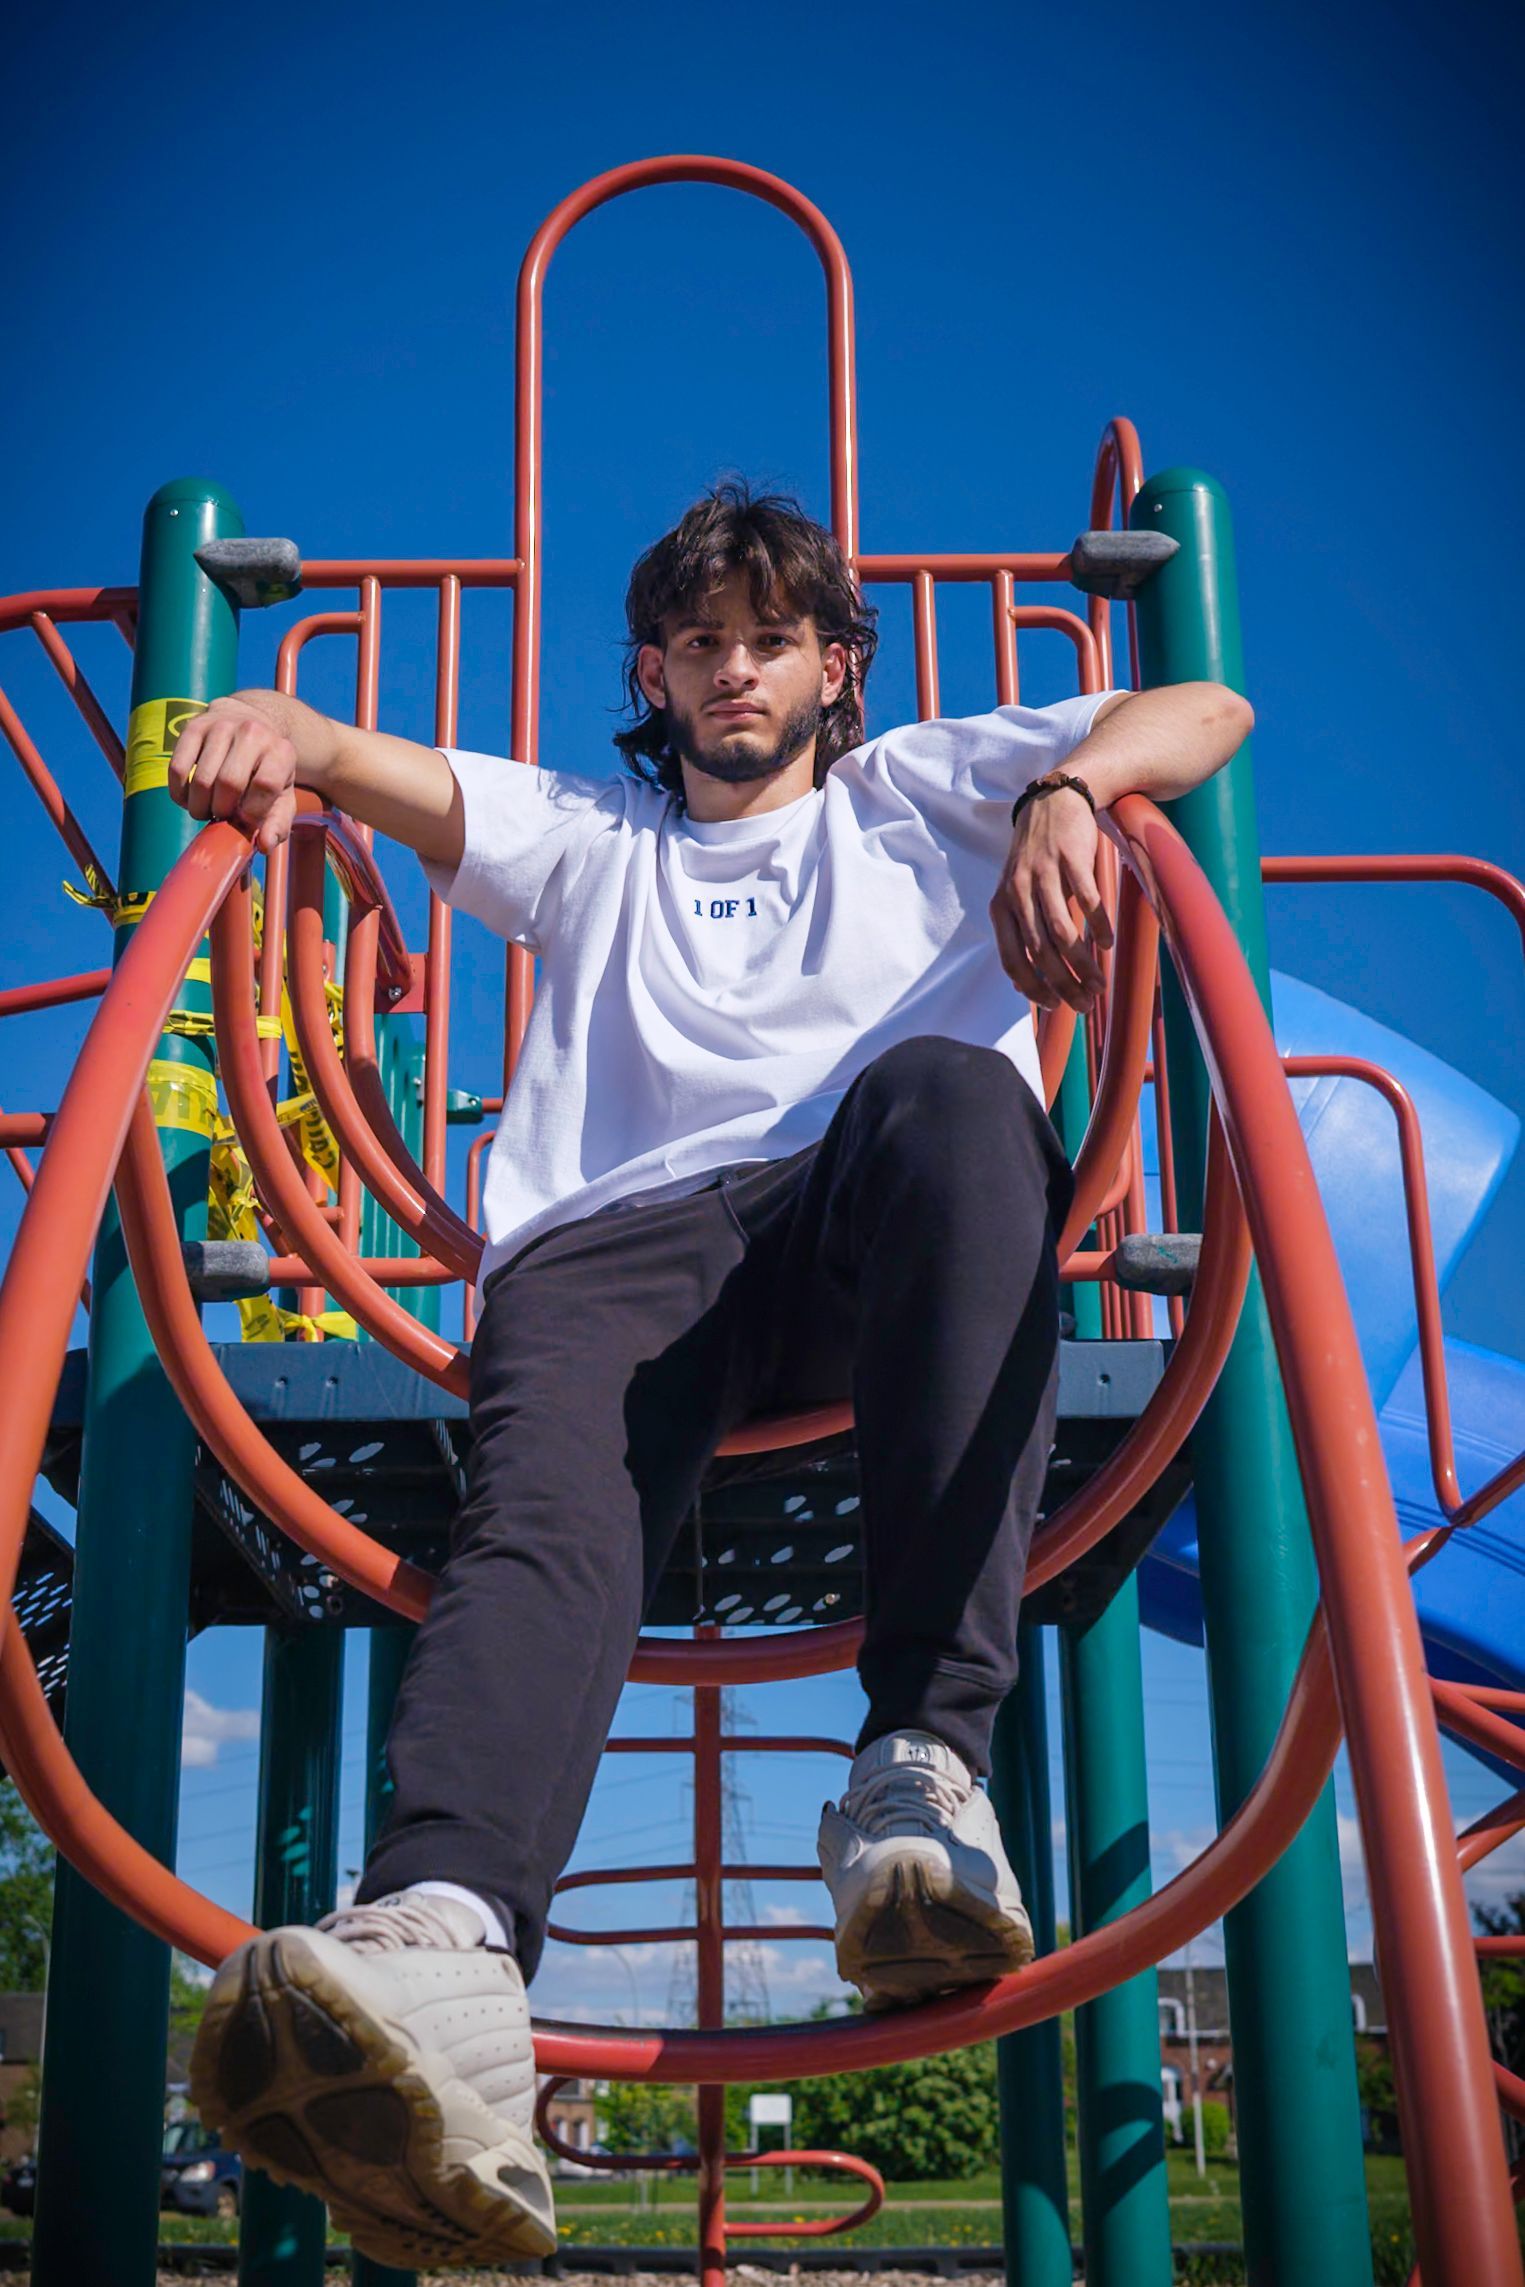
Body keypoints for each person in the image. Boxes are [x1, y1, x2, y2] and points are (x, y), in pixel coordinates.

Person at [173, 485, 1250, 2268]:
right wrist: (278, 726)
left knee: (960, 1097)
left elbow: (1206, 714)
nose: (728, 667)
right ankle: (440, 1945)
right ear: (653, 675)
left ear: (834, 664)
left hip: (857, 1224)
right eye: (693, 642)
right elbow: (374, 763)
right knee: (542, 1513)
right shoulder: (590, 837)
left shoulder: (922, 788)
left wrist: (1068, 788)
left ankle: (918, 1769)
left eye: (766, 637)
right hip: (617, 1252)